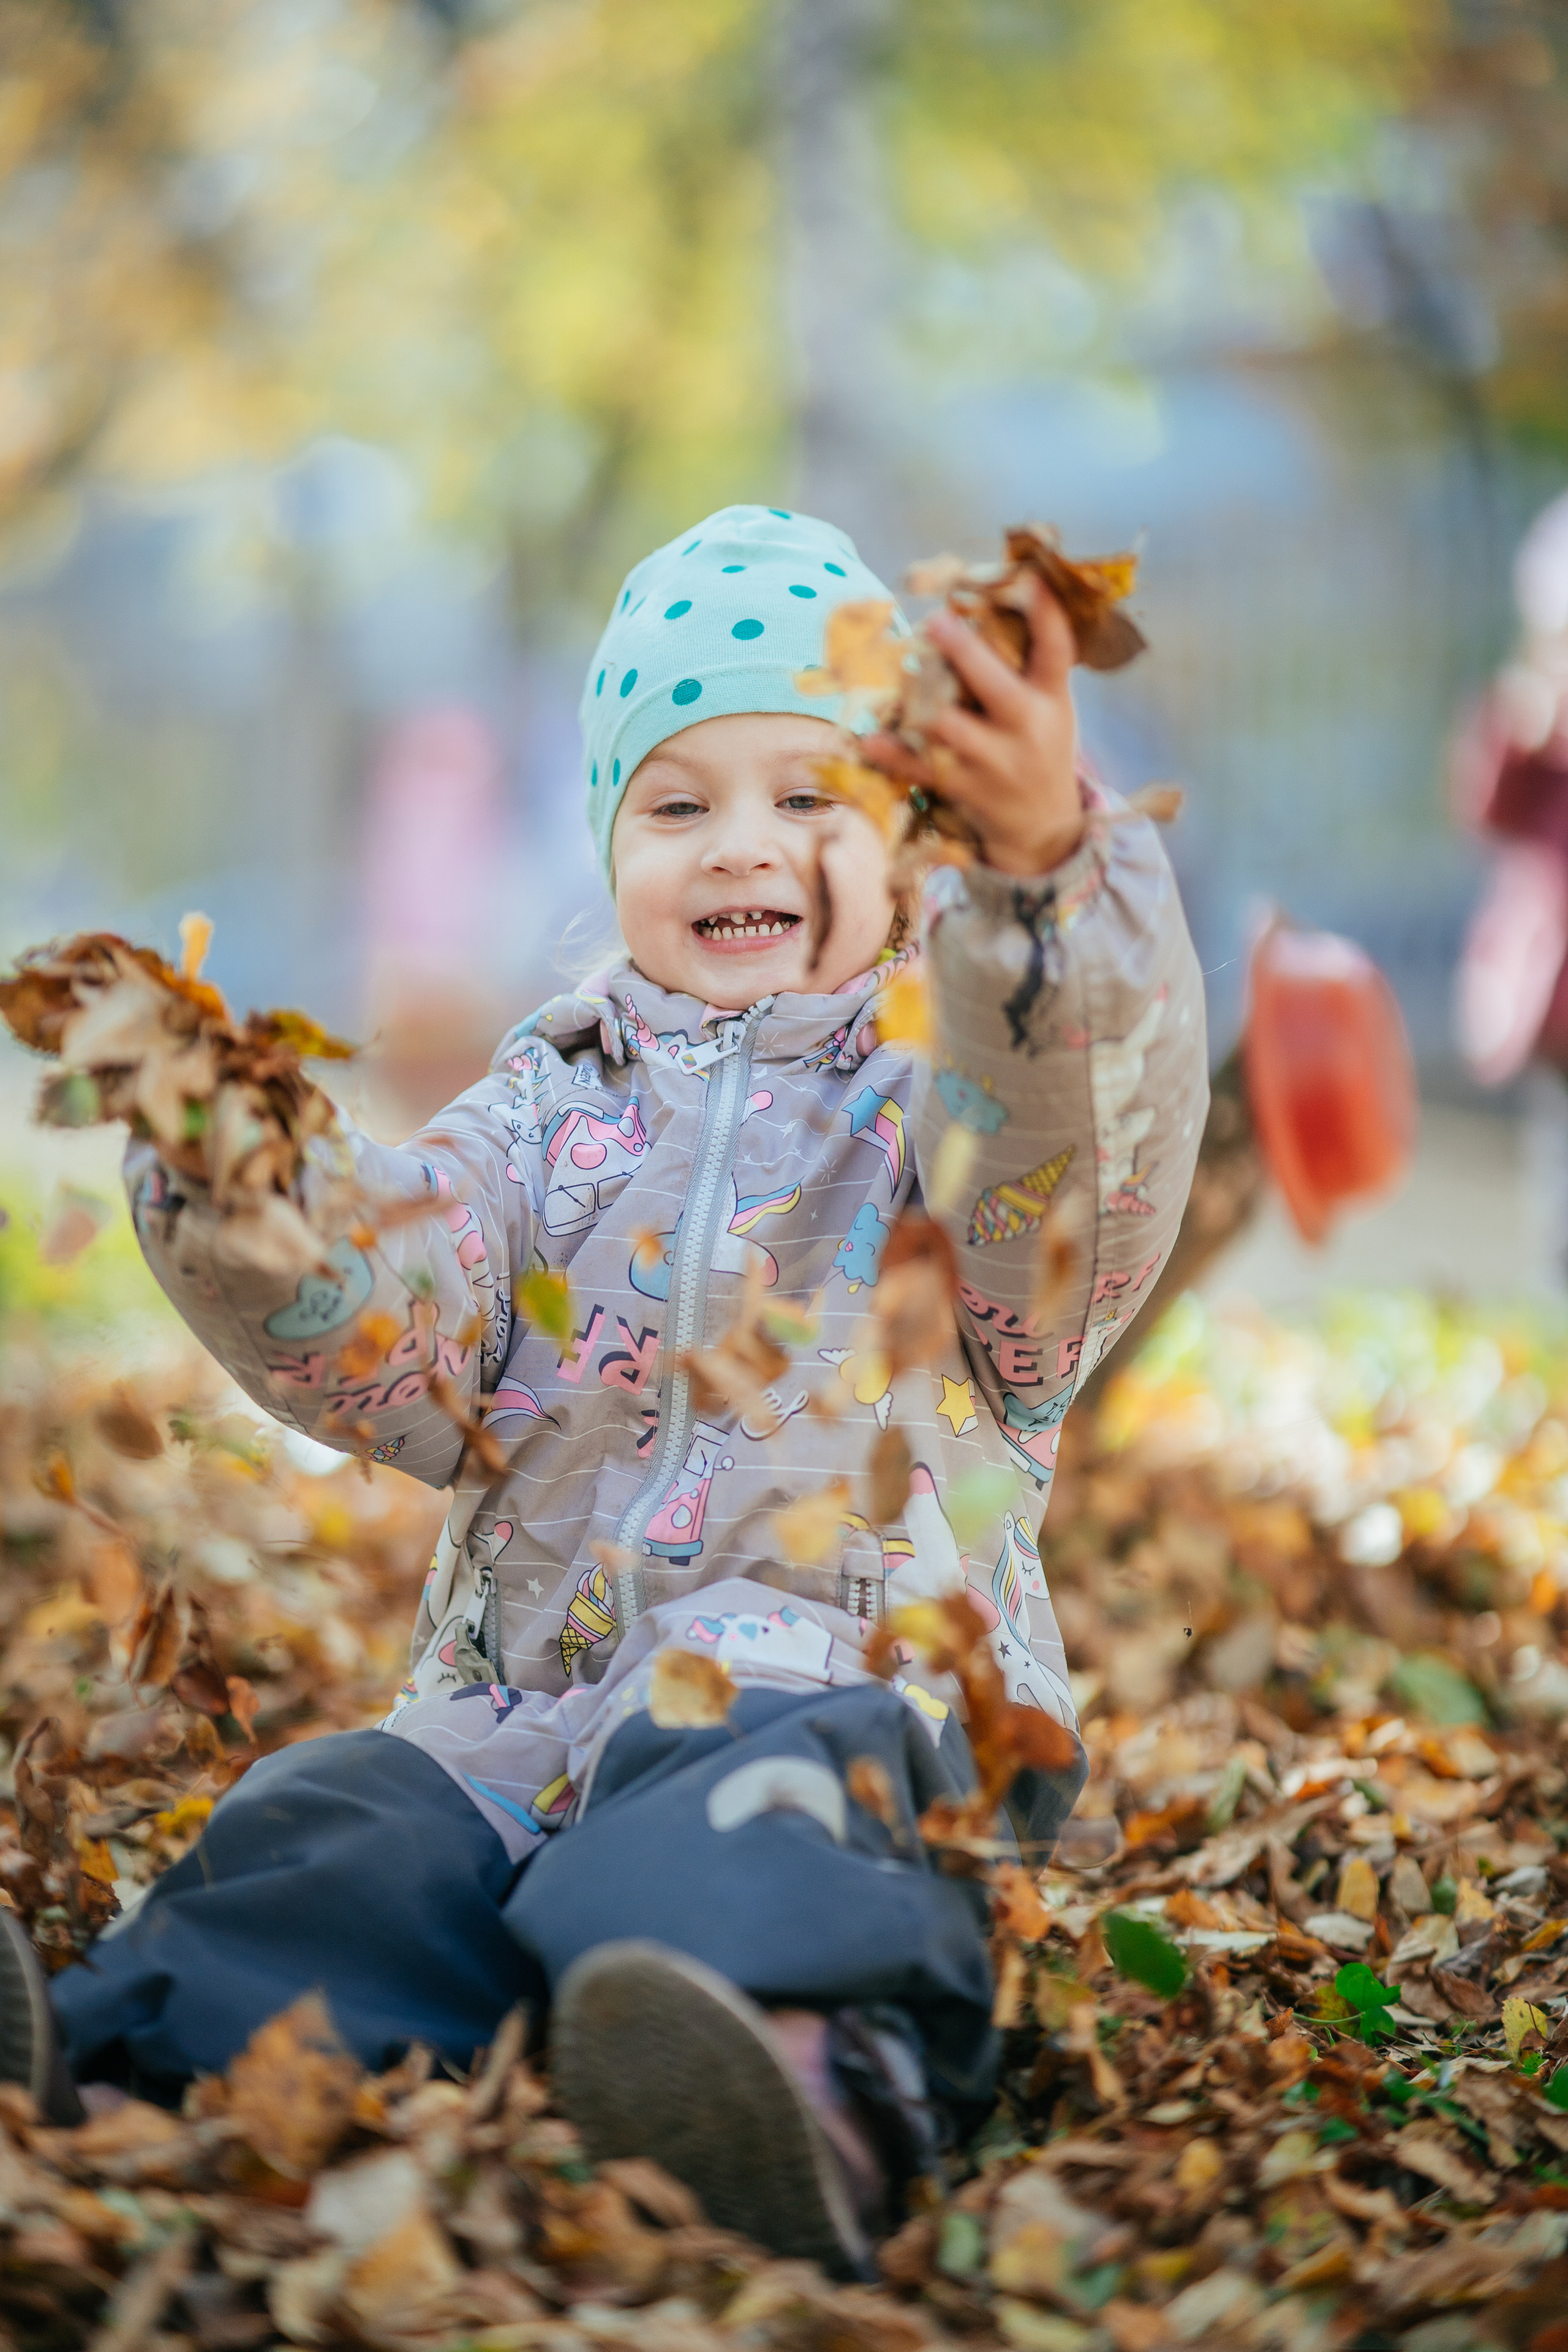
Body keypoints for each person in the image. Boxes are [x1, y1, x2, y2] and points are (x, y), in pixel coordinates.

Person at [0, 505, 1206, 2272]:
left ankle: (788, 2082)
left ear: (914, 835)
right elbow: (398, 1324)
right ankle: (136, 2046)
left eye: (810, 796)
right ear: (609, 835)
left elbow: (1075, 1161)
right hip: (530, 1707)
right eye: (679, 801)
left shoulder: (948, 1108)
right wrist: (248, 1182)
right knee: (343, 1825)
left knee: (754, 1822)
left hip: (840, 1693)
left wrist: (1042, 893)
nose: (744, 846)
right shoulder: (540, 1109)